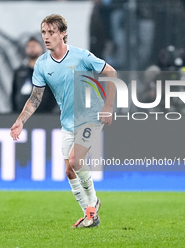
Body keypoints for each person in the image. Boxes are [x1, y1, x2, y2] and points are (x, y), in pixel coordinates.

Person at [10, 14, 117, 228]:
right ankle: (91, 209)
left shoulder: (81, 56)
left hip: (91, 116)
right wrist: (21, 120)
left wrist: (108, 106)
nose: (46, 37)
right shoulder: (41, 64)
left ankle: (91, 211)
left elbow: (111, 72)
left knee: (76, 161)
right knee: (69, 170)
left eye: (51, 32)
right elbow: (36, 97)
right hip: (68, 121)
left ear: (63, 34)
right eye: (44, 32)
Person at [12, 37, 57, 113]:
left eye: (34, 46)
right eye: (29, 46)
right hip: (22, 114)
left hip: (43, 115)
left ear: (41, 48)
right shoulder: (19, 71)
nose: (31, 49)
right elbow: (14, 93)